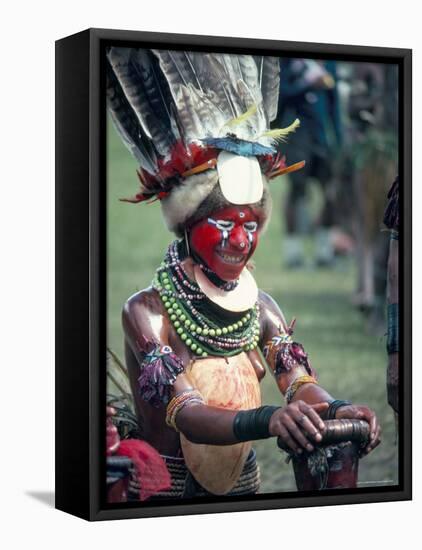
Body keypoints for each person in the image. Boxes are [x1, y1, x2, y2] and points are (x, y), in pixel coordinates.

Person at [107, 48, 381, 499]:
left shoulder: (260, 307)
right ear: (189, 224)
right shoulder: (147, 312)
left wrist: (336, 407)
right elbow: (188, 412)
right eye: (224, 224)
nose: (240, 240)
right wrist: (268, 419)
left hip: (243, 488)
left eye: (250, 225)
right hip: (166, 495)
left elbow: (298, 385)